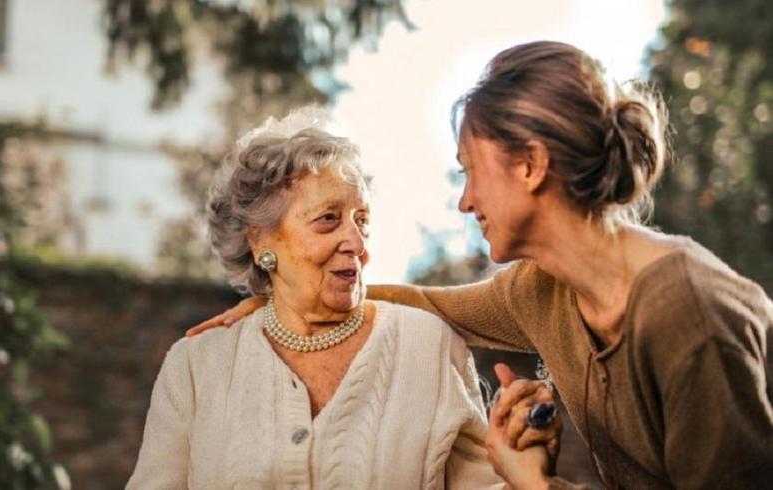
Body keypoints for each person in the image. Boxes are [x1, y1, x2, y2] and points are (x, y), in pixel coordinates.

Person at [187, 42, 773, 489]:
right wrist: (284, 295)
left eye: (470, 169)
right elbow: (424, 303)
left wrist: (532, 485)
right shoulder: (542, 290)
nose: (465, 201)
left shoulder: (687, 316)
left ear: (531, 165)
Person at [128, 110, 559, 489]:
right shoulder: (197, 365)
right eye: (328, 219)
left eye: (362, 220)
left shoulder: (428, 346)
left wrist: (524, 472)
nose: (355, 241)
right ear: (260, 240)